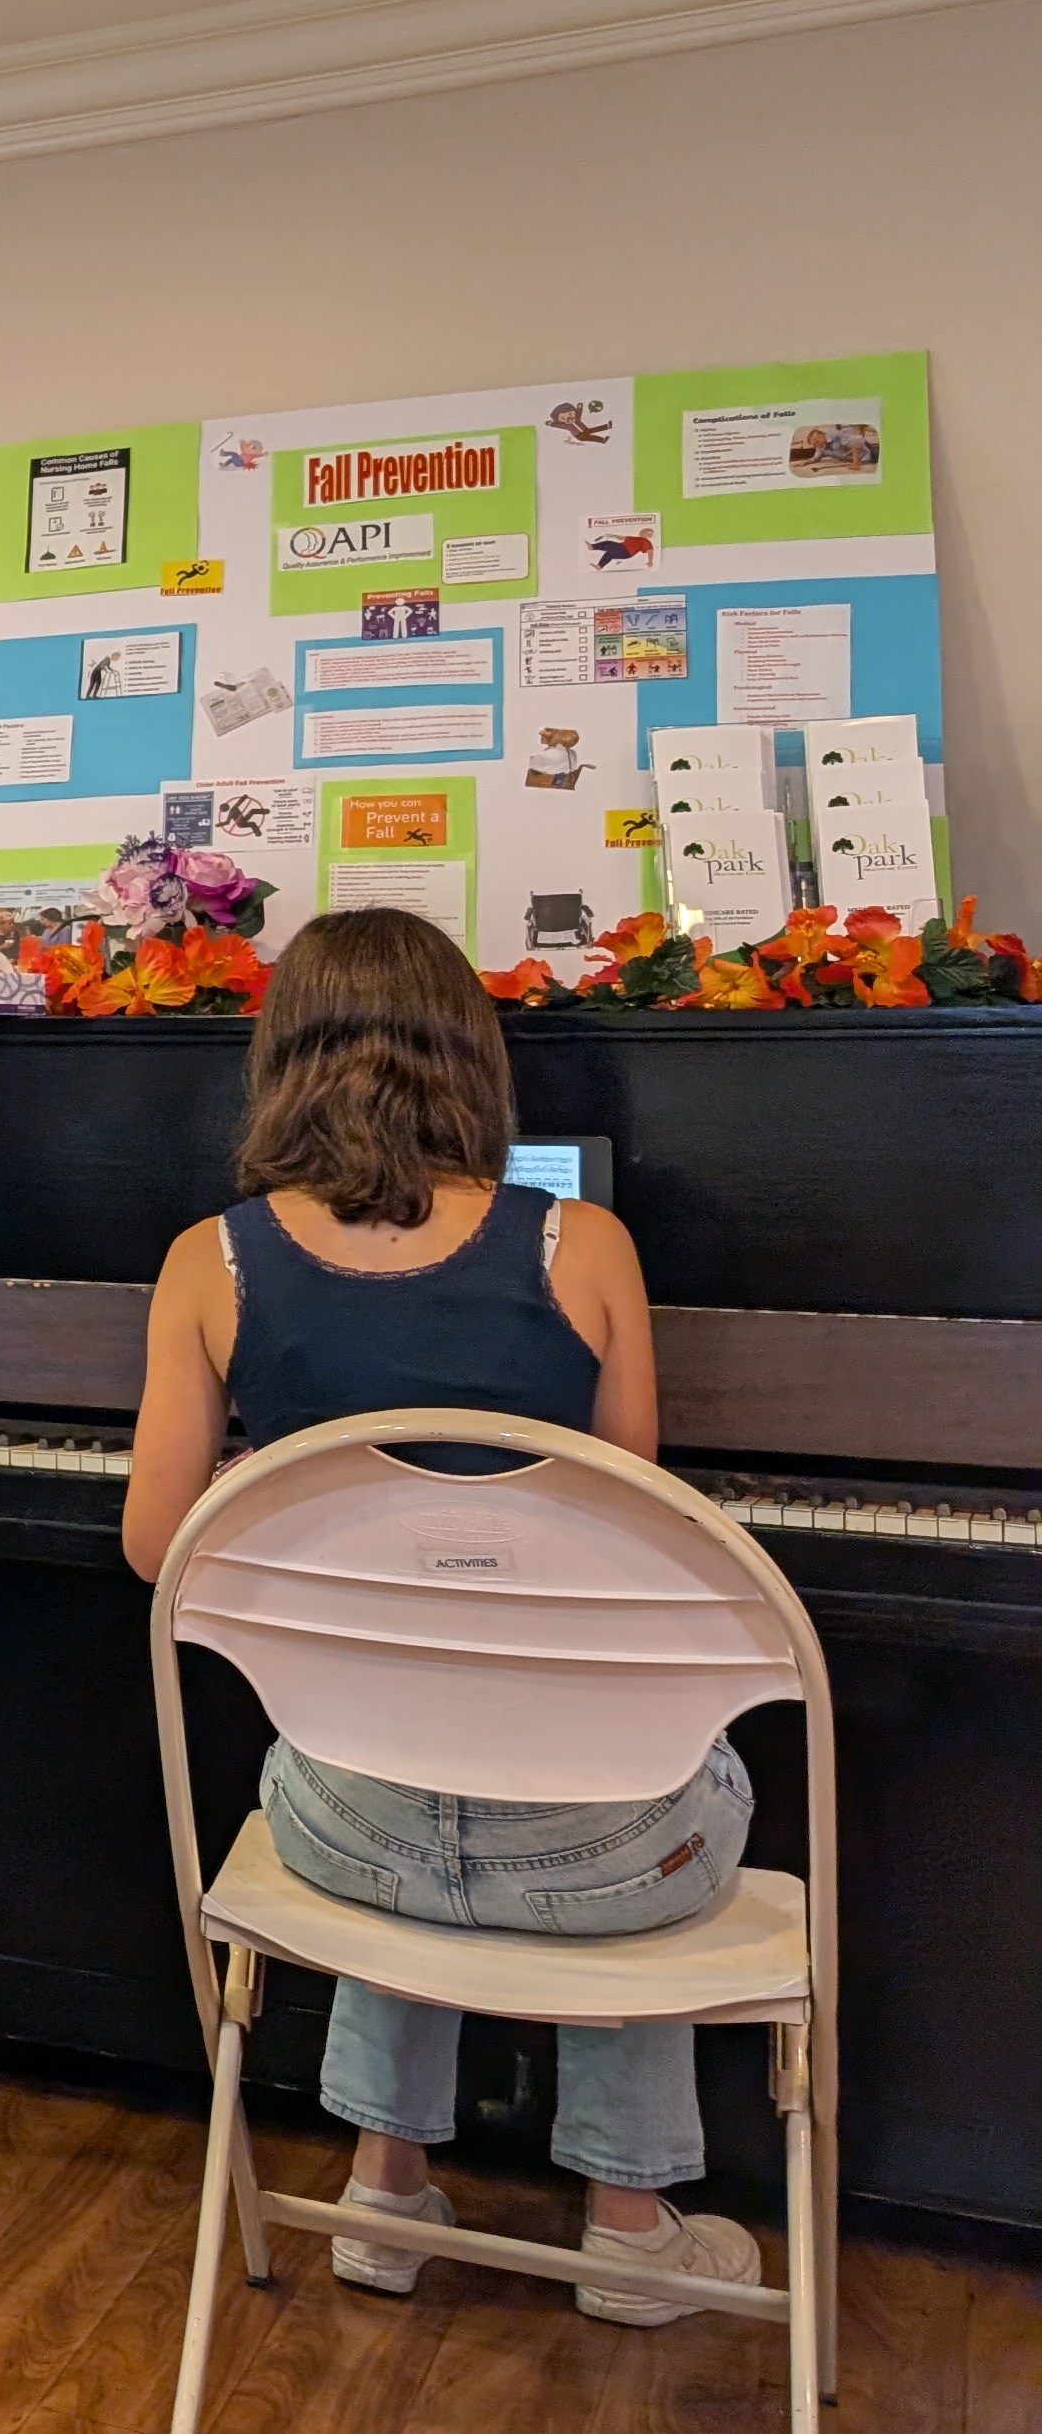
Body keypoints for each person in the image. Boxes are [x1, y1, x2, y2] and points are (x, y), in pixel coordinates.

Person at [122, 906, 764, 2323]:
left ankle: (384, 2191)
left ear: (279, 1060)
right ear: (473, 1055)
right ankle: (628, 2227)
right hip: (603, 1861)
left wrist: (283, 1502)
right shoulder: (586, 1245)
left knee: (378, 1729)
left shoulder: (207, 1262)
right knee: (655, 1753)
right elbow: (633, 1533)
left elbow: (157, 1547)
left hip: (349, 1841)